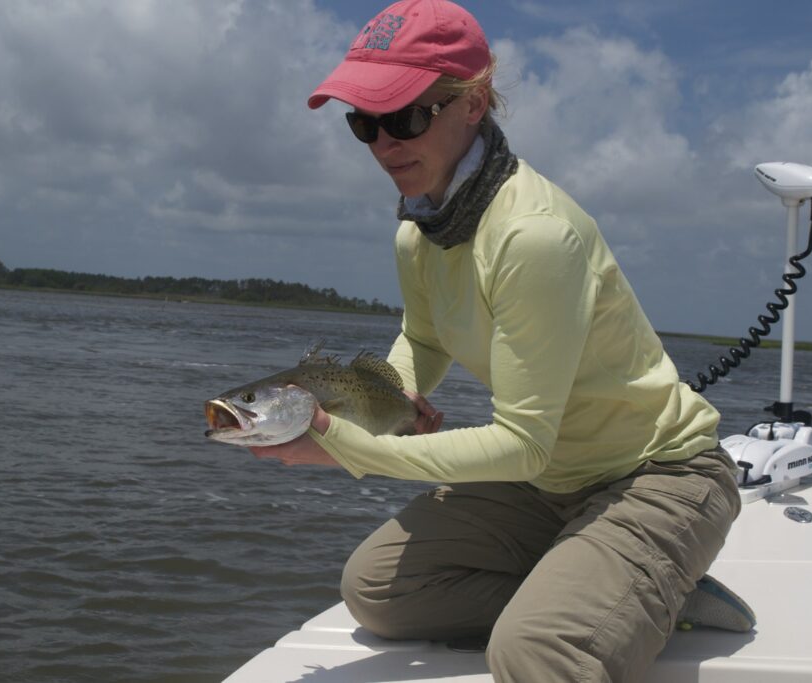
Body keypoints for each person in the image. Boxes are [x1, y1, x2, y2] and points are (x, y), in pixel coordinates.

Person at [250, 1, 751, 680]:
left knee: (535, 651)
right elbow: (423, 335)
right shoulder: (418, 231)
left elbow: (522, 441)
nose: (384, 145)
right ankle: (614, 593)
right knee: (378, 592)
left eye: (405, 117)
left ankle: (619, 593)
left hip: (657, 473)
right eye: (364, 123)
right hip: (547, 481)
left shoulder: (532, 234)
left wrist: (353, 447)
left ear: (474, 104)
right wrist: (396, 397)